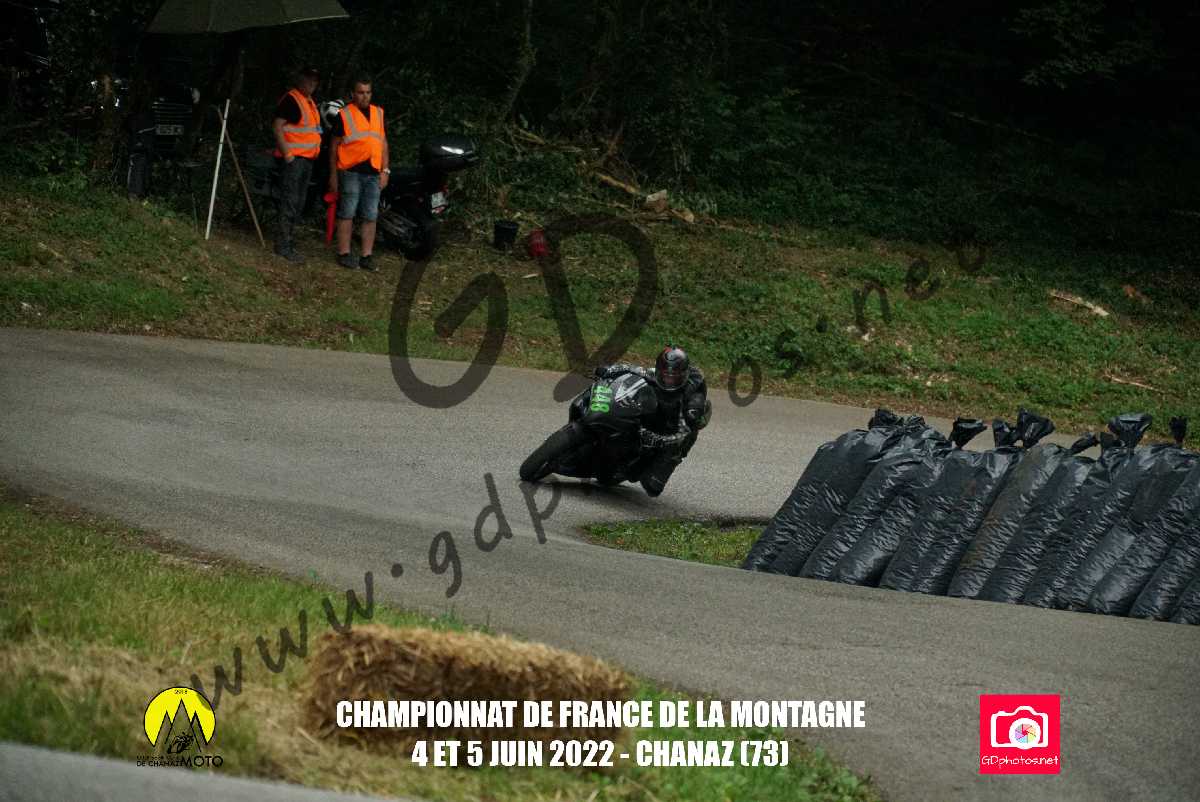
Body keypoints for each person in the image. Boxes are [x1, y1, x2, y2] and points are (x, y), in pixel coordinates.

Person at [594, 345, 710, 496]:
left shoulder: (692, 394)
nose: (668, 380)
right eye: (666, 375)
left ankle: (636, 467)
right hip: (651, 417)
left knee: (653, 487)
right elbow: (631, 369)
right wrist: (609, 370)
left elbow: (687, 427)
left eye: (673, 377)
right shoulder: (652, 374)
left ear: (684, 375)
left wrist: (691, 416)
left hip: (672, 433)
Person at [327, 77, 389, 272]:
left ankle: (366, 256)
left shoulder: (378, 113)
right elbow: (334, 147)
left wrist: (385, 170)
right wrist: (333, 175)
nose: (365, 96)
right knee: (348, 212)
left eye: (368, 92)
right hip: (351, 172)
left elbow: (383, 143)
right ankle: (344, 253)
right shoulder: (344, 115)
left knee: (371, 215)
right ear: (353, 94)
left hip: (373, 172)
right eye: (361, 92)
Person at [271, 66, 323, 263]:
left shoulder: (309, 102)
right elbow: (277, 127)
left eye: (315, 80)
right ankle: (283, 244)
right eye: (309, 79)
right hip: (295, 160)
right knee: (290, 202)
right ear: (300, 79)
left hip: (306, 160)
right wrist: (288, 155)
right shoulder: (292, 99)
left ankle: (288, 241)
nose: (312, 83)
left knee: (298, 203)